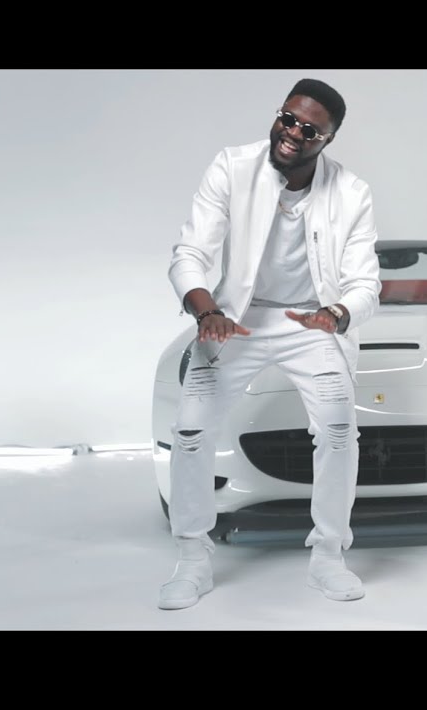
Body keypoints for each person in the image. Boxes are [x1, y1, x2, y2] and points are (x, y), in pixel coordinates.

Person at [159, 79, 381, 609]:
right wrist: (207, 311)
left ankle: (328, 556)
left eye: (310, 130)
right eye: (288, 118)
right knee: (190, 430)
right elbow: (190, 252)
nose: (293, 133)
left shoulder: (352, 192)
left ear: (327, 139)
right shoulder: (232, 167)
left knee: (338, 432)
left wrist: (336, 314)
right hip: (236, 318)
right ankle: (192, 559)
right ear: (279, 115)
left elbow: (365, 284)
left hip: (313, 323)